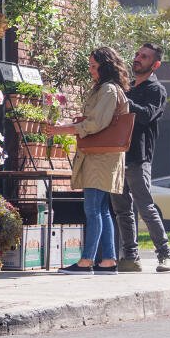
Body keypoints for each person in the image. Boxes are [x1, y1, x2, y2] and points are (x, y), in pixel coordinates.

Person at [51, 46, 130, 273]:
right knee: (102, 209)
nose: (90, 70)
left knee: (93, 208)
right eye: (90, 66)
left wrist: (64, 130)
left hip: (100, 157)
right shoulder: (106, 88)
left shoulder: (108, 90)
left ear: (105, 67)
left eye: (94, 66)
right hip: (102, 155)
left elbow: (96, 123)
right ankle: (108, 260)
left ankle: (87, 261)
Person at [113, 42, 170, 272]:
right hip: (117, 156)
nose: (138, 58)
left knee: (145, 207)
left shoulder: (156, 90)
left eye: (144, 56)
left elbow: (146, 115)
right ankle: (130, 257)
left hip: (139, 157)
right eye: (138, 54)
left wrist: (123, 101)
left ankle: (165, 254)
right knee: (122, 210)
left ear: (155, 64)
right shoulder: (127, 88)